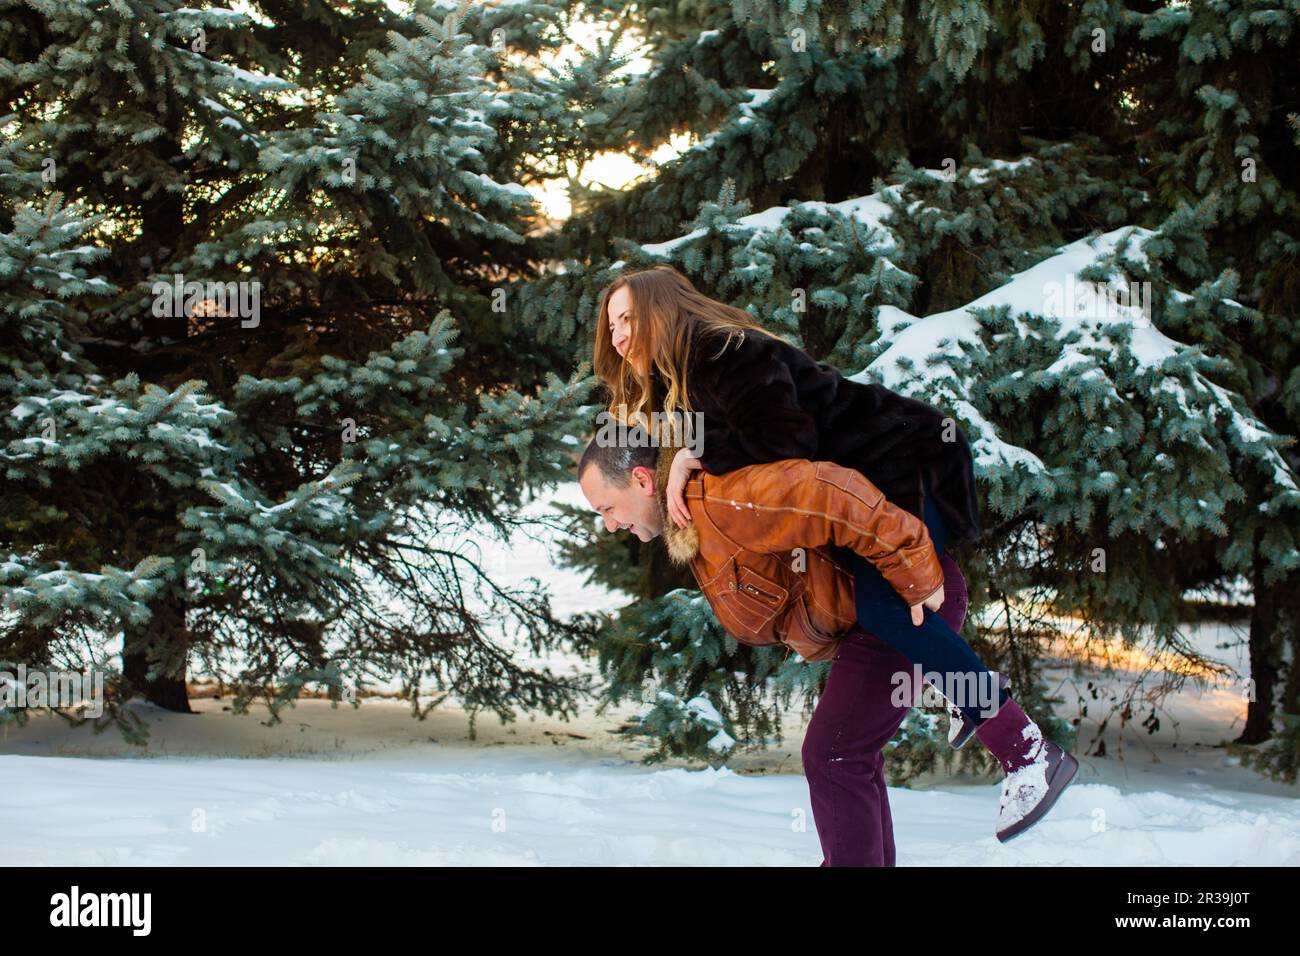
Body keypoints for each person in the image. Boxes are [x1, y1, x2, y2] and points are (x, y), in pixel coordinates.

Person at [590, 264, 1077, 841]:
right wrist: (690, 455)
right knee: (887, 620)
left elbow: (783, 444)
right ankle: (962, 689)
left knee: (888, 609)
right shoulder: (691, 377)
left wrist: (695, 457)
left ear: (662, 309)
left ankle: (1026, 752)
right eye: (612, 324)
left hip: (901, 460)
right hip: (877, 484)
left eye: (628, 318)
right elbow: (751, 442)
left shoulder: (721, 349)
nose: (618, 335)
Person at [577, 433, 1078, 861]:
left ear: (643, 480)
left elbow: (831, 494)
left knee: (834, 754)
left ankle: (1026, 750)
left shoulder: (721, 499)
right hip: (880, 618)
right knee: (845, 755)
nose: (610, 524)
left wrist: (916, 570)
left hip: (905, 596)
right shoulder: (695, 521)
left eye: (607, 508)